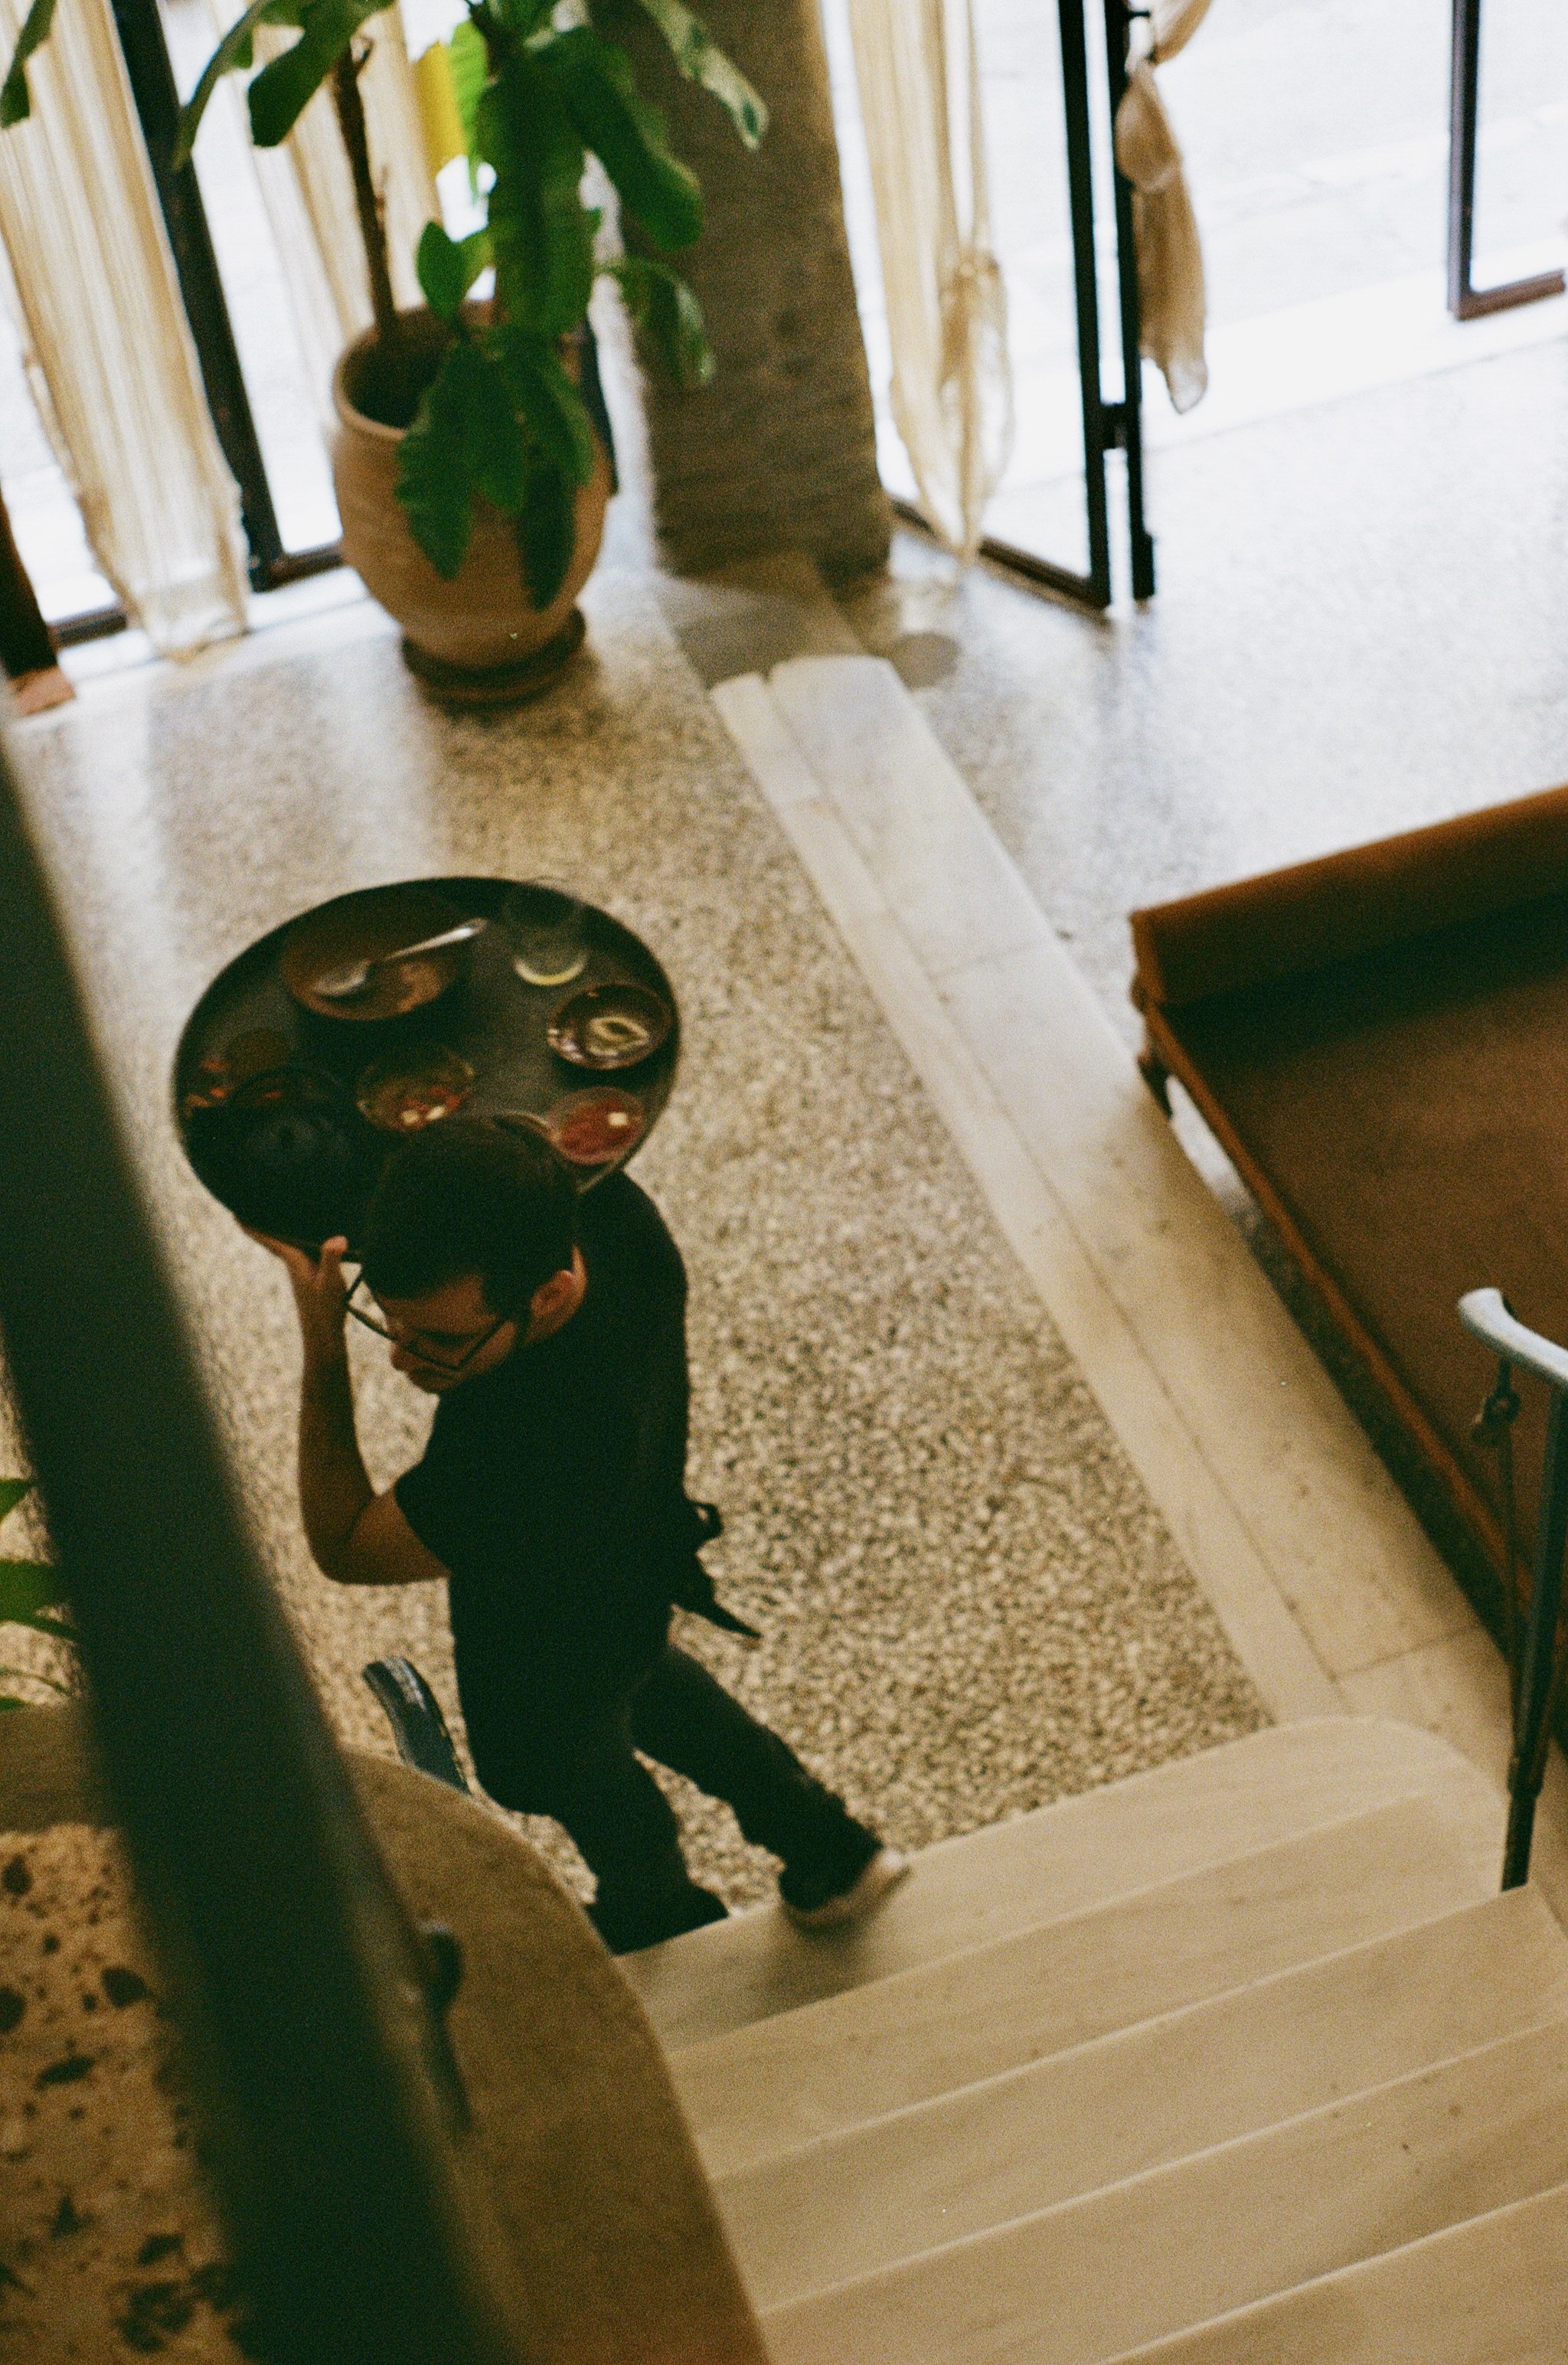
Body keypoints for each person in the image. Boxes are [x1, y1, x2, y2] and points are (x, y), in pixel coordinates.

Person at [250, 1115, 907, 1952]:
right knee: (644, 1677)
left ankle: (657, 1902)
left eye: (442, 1339)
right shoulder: (611, 1218)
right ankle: (824, 1840)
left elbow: (345, 1543)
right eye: (389, 1324)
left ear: (549, 1295)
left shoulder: (522, 1448)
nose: (403, 1361)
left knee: (551, 1762)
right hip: (636, 1551)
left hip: (538, 1623)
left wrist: (322, 1345)